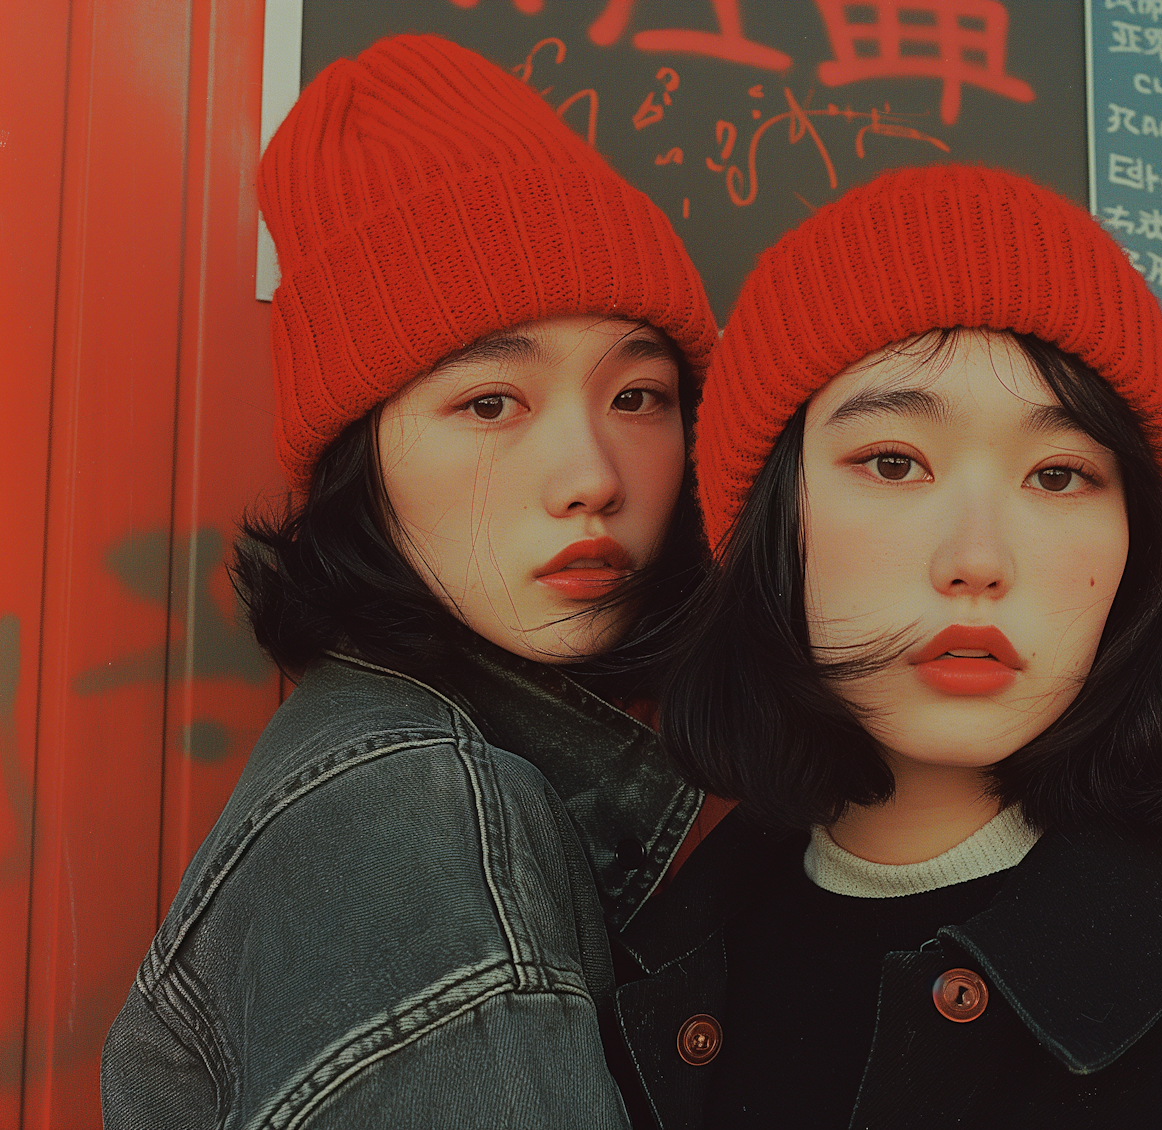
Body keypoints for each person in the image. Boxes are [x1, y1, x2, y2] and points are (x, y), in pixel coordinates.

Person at [609, 165, 1162, 1129]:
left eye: (1058, 475)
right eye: (893, 462)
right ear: (765, 525)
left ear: (1134, 557)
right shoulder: (624, 994)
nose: (978, 560)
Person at [101, 35, 724, 1129]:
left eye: (639, 394)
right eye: (491, 403)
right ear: (362, 463)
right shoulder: (415, 815)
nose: (592, 477)